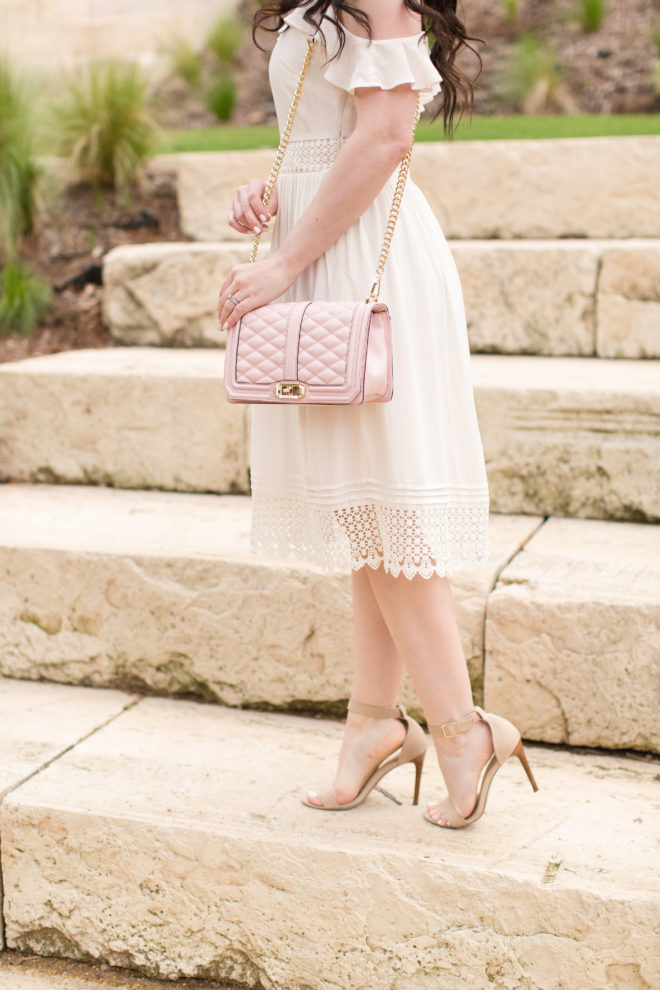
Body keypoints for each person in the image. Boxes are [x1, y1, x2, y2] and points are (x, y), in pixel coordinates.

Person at [217, 0, 538, 828]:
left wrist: (284, 263)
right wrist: (273, 186)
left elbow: (390, 136)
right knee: (364, 508)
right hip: (329, 247)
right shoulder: (323, 5)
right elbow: (332, 131)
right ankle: (373, 724)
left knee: (384, 503)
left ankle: (463, 731)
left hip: (364, 262)